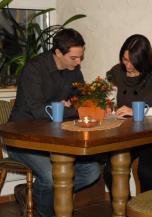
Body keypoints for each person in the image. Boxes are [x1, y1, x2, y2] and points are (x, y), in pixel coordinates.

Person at [6, 28, 100, 217]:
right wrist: (71, 109)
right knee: (51, 176)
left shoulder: (74, 71)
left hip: (55, 137)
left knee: (92, 171)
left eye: (80, 57)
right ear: (58, 52)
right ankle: (46, 211)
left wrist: (77, 105)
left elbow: (83, 98)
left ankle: (36, 194)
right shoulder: (34, 69)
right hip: (22, 138)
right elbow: (39, 111)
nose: (79, 62)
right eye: (74, 58)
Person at [104, 34, 152, 193]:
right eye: (125, 60)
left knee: (146, 172)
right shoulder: (117, 72)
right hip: (127, 135)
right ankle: (124, 208)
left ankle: (149, 210)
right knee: (110, 171)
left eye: (133, 61)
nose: (128, 65)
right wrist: (108, 107)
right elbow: (110, 99)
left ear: (143, 59)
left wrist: (136, 112)